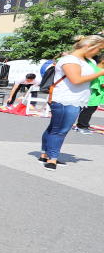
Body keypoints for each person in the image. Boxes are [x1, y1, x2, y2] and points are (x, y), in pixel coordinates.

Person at [39, 35, 104, 169]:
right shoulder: (69, 60)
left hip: (78, 99)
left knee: (54, 127)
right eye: (98, 49)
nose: (99, 53)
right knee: (60, 129)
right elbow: (76, 80)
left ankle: (45, 154)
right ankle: (52, 158)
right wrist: (101, 73)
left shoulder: (88, 61)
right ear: (88, 46)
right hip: (65, 99)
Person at [75, 57, 103, 134]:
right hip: (94, 95)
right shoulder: (100, 71)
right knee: (88, 111)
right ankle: (82, 126)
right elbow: (102, 84)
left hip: (93, 95)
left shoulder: (95, 69)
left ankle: (83, 125)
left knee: (87, 110)